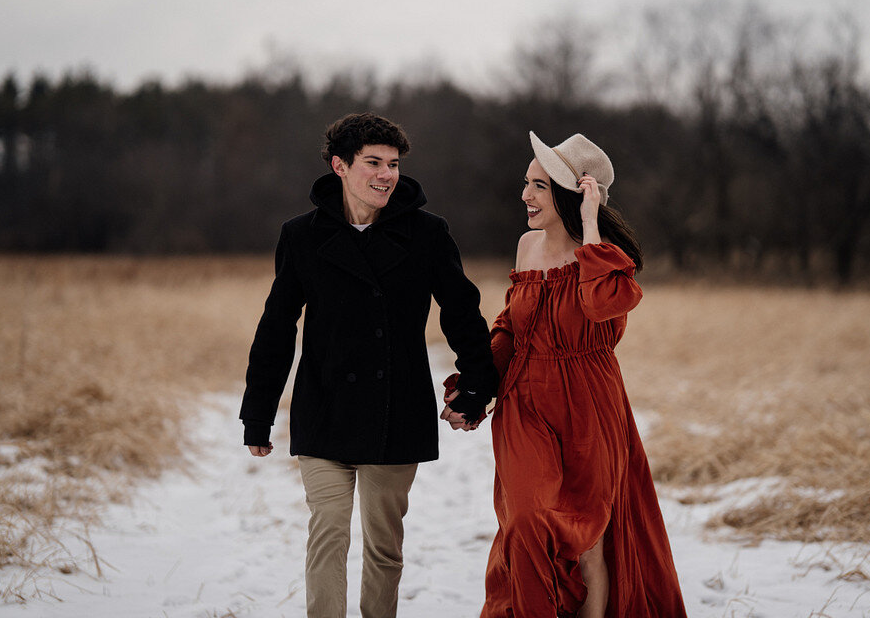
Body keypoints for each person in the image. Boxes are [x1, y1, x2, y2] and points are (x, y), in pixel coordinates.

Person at [239, 112, 497, 618]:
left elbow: (463, 314)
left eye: (394, 164)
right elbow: (276, 328)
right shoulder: (301, 237)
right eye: (373, 162)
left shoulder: (427, 233)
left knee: (384, 549)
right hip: (325, 408)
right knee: (327, 535)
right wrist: (258, 413)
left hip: (395, 413)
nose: (386, 174)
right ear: (340, 165)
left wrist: (477, 388)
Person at [455, 131, 687, 617]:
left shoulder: (605, 262)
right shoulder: (525, 247)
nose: (525, 196)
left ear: (569, 194)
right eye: (526, 184)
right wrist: (476, 387)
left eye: (538, 186)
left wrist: (590, 224)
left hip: (589, 405)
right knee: (524, 520)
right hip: (525, 403)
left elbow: (600, 306)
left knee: (588, 539)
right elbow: (513, 324)